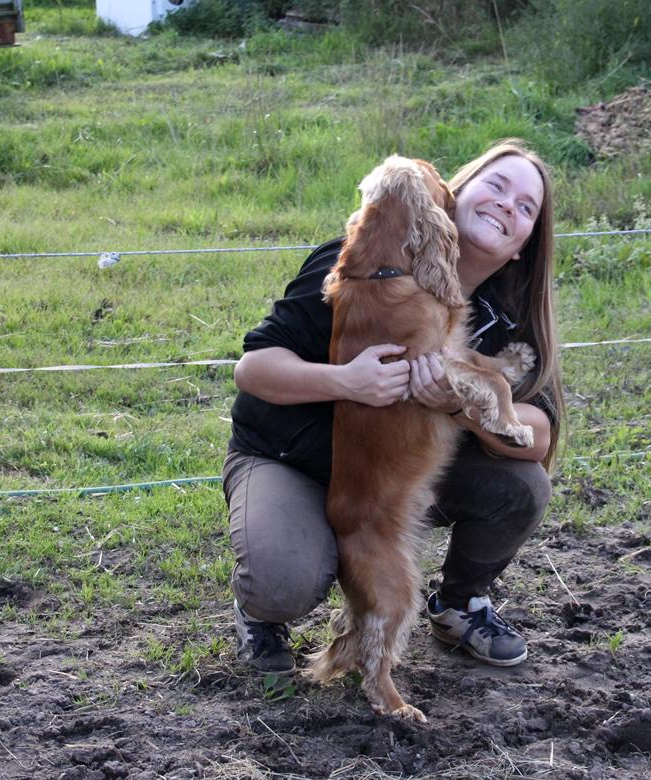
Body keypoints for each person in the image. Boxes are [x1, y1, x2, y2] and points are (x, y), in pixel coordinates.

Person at [223, 138, 565, 674]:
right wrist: (346, 381)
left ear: (523, 243)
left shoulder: (508, 312)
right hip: (293, 460)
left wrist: (458, 405)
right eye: (497, 186)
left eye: (526, 207)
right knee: (283, 580)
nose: (507, 204)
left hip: (387, 475)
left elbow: (538, 436)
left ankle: (460, 605)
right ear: (453, 196)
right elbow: (253, 369)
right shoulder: (362, 257)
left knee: (522, 486)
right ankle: (261, 609)